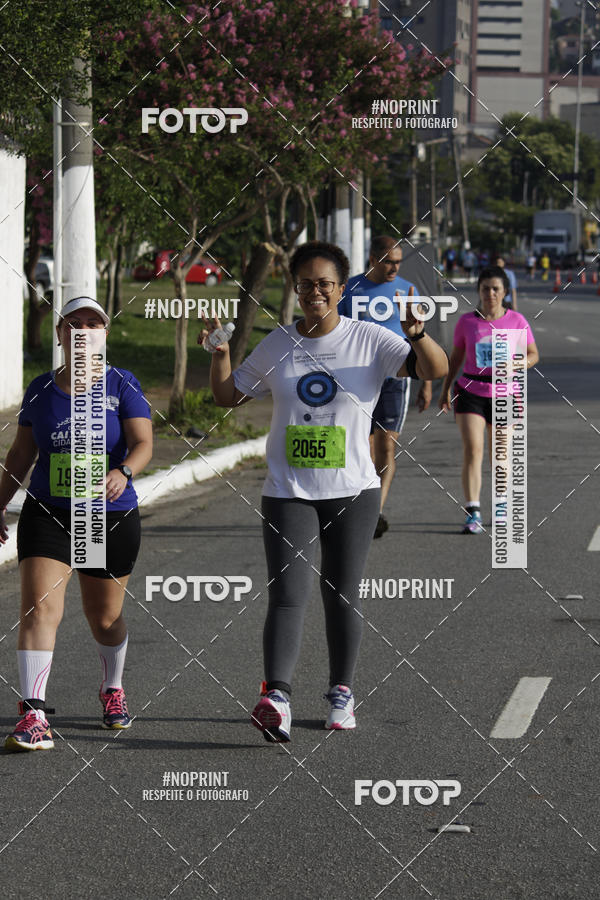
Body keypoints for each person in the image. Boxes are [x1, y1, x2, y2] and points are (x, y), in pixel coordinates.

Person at [201, 241, 448, 741]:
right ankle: (277, 697)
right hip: (288, 490)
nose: (316, 292)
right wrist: (221, 355)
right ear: (294, 287)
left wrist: (418, 335)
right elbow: (227, 395)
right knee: (287, 597)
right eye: (307, 283)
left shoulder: (371, 340)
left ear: (342, 287)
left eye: (326, 284)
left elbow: (435, 370)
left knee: (341, 594)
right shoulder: (277, 345)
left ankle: (341, 692)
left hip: (353, 491)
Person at [0, 297, 153, 751]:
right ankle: (33, 712)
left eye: (94, 323)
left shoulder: (121, 384)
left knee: (103, 618)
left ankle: (112, 688)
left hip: (105, 515)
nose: (84, 330)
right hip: (49, 511)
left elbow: (144, 443)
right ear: (61, 335)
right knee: (38, 609)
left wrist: (123, 471)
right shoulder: (41, 389)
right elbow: (20, 455)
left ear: (104, 334)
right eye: (74, 324)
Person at [337, 235, 432, 539]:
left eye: (398, 262)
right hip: (357, 380)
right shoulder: (350, 289)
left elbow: (420, 340)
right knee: (358, 447)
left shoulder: (407, 290)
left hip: (397, 380)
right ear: (373, 259)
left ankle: (373, 512)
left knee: (386, 446)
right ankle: (355, 504)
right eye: (388, 261)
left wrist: (426, 383)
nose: (394, 267)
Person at [438, 267, 539, 534]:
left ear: (505, 292)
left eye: (496, 289)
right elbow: (456, 358)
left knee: (500, 454)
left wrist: (516, 363)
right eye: (485, 288)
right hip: (471, 391)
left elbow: (533, 355)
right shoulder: (467, 322)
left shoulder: (517, 320)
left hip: (506, 394)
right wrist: (445, 388)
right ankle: (473, 512)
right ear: (479, 291)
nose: (490, 294)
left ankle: (501, 507)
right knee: (473, 450)